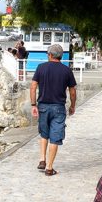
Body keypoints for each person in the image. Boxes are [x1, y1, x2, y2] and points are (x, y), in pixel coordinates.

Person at [30, 43, 77, 176]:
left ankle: (42, 159)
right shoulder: (66, 70)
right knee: (55, 137)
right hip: (58, 108)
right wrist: (72, 105)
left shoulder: (41, 67)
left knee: (44, 133)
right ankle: (49, 168)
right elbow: (72, 91)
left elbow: (33, 86)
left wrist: (34, 105)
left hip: (43, 106)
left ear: (50, 55)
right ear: (60, 56)